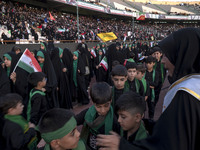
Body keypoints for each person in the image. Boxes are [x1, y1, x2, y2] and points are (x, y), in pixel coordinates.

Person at [96, 28, 200, 150]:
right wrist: (149, 124)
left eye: (167, 55)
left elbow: (168, 145)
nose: (163, 61)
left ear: (182, 56)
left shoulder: (187, 95)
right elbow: (176, 131)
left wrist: (121, 146)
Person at [75, 82, 120, 150]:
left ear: (110, 100)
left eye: (106, 106)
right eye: (99, 107)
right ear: (93, 103)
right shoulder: (87, 113)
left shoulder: (114, 119)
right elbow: (73, 121)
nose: (102, 110)